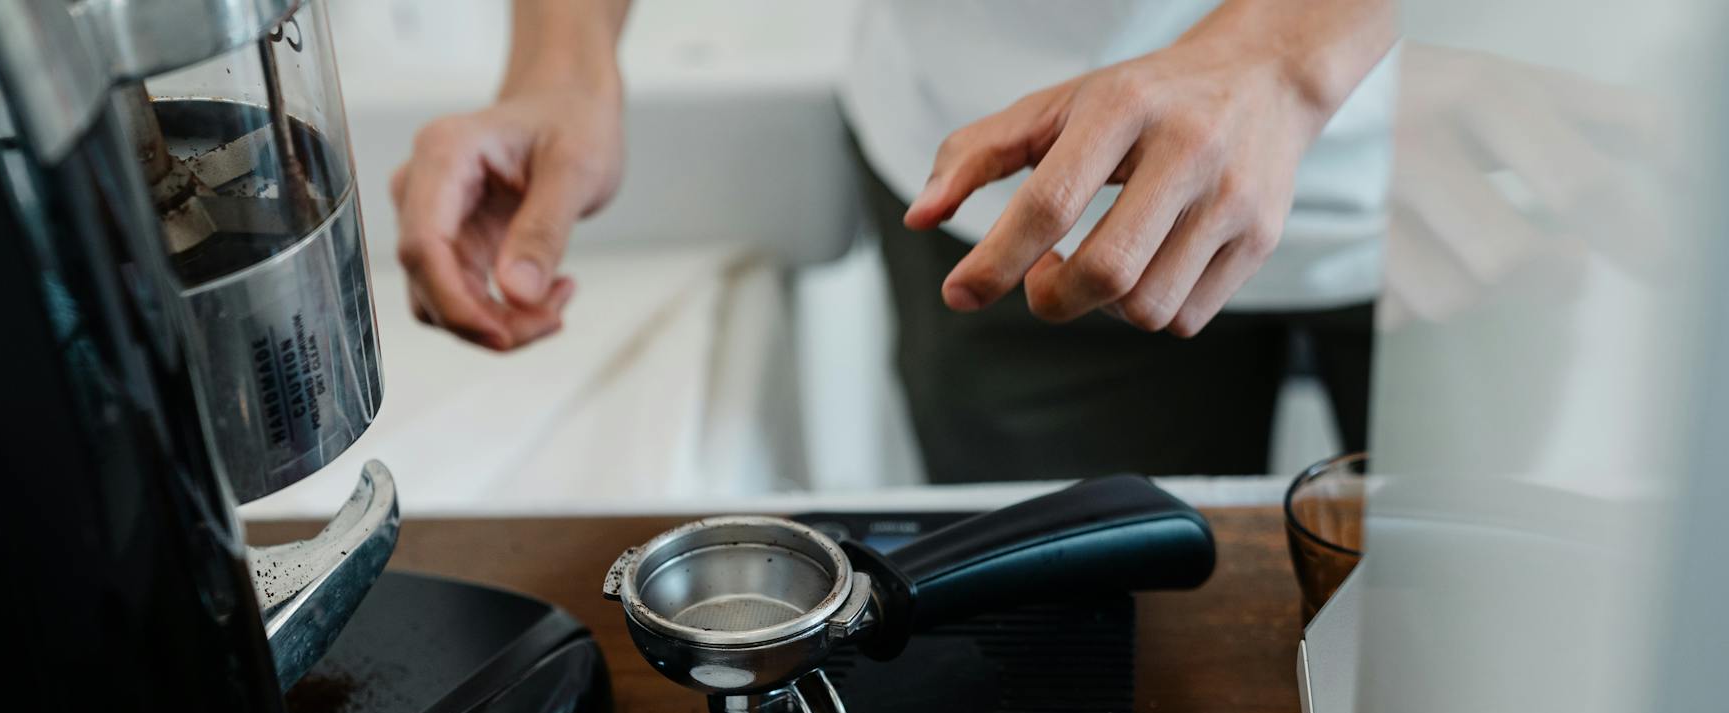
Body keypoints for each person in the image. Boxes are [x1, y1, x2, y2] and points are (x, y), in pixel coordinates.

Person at [391, 0, 1398, 480]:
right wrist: (559, 66)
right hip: (1013, 193)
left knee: (1470, 697)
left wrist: (1283, 53)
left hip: (1464, 164)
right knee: (1080, 654)